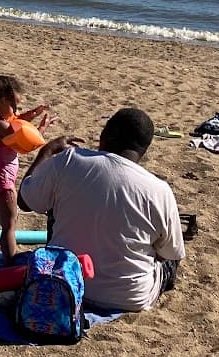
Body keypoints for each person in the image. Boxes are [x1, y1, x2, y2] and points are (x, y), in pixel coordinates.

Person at [18, 107, 186, 313]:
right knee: (170, 252)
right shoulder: (159, 190)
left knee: (57, 204)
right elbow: (170, 252)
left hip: (64, 283)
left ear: (105, 135)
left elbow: (25, 202)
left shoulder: (69, 160)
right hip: (129, 297)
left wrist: (47, 152)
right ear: (144, 149)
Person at [0, 75, 56, 267]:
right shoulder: (0, 126)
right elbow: (27, 142)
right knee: (10, 226)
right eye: (14, 105)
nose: (16, 111)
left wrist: (34, 113)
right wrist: (42, 128)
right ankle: (10, 264)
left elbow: (16, 119)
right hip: (1, 181)